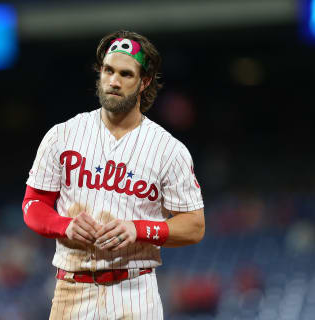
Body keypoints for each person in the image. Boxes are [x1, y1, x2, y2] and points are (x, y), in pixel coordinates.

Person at [22, 30, 205, 319]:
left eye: (125, 74)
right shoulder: (62, 135)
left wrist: (139, 229)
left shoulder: (168, 149)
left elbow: (195, 226)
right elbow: (32, 205)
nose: (114, 81)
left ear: (144, 82)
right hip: (72, 289)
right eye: (108, 70)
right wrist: (63, 225)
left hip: (135, 290)